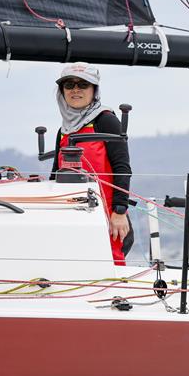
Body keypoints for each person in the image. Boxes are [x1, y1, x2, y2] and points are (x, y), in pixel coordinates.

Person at [51, 62, 133, 265]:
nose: (75, 89)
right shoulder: (63, 130)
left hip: (107, 214)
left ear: (94, 90)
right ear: (62, 91)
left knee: (109, 263)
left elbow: (122, 167)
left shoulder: (106, 120)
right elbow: (55, 176)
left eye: (83, 84)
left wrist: (120, 211)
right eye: (69, 85)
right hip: (74, 214)